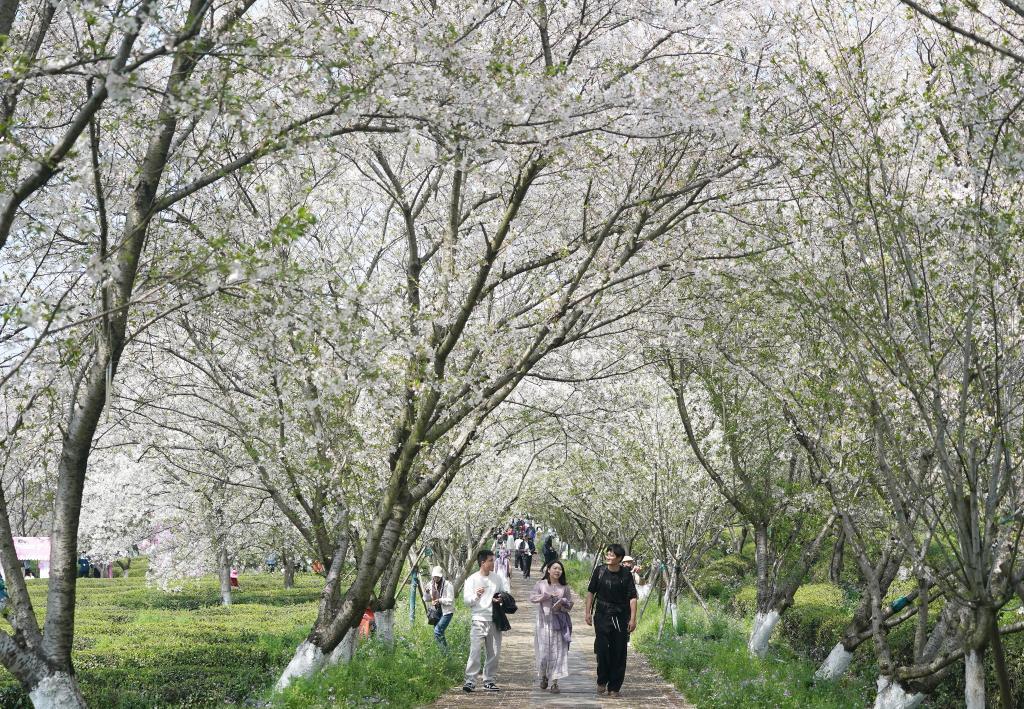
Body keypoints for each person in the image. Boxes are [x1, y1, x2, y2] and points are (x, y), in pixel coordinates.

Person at [585, 543, 638, 698]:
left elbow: (632, 597)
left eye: (612, 555)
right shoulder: (599, 571)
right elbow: (590, 592)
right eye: (607, 554)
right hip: (602, 614)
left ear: (620, 558)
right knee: (602, 649)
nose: (608, 557)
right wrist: (587, 612)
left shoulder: (626, 574)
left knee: (619, 651)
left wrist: (633, 619)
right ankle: (602, 679)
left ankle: (614, 686)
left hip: (620, 616)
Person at [463, 549, 509, 693]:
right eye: (490, 561)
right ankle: (470, 681)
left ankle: (489, 680)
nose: (493, 563)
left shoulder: (497, 578)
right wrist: (476, 596)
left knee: (494, 652)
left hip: (494, 619)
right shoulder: (472, 579)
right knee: (475, 651)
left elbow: (503, 593)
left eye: (493, 560)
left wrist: (500, 598)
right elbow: (467, 601)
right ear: (482, 562)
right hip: (478, 619)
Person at [530, 560, 574, 694]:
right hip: (544, 623)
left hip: (559, 623)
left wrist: (564, 604)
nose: (557, 571)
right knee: (544, 653)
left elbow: (570, 605)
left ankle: (555, 682)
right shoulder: (540, 584)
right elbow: (532, 598)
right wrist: (545, 596)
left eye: (560, 569)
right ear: (548, 570)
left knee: (559, 653)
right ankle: (544, 675)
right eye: (554, 568)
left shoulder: (564, 587)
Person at [426, 565, 455, 650]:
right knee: (440, 633)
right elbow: (426, 599)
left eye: (438, 576)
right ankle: (447, 656)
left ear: (441, 576)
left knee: (437, 631)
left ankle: (445, 654)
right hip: (436, 612)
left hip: (447, 611)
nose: (436, 578)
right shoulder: (430, 584)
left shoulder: (448, 585)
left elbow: (450, 600)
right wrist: (427, 593)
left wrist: (439, 600)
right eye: (434, 576)